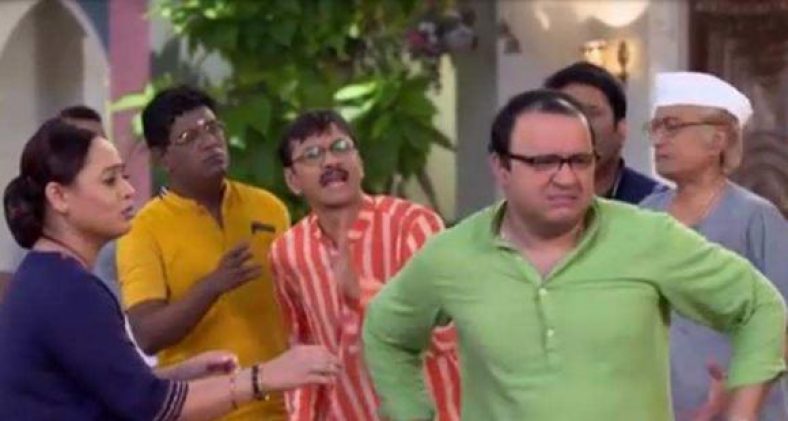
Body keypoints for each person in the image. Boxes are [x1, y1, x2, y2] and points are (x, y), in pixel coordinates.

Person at [361, 89, 786, 421]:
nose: (566, 178)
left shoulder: (647, 235)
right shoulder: (453, 255)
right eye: (544, 162)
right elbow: (386, 331)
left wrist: (741, 410)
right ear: (501, 167)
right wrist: (410, 412)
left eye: (580, 161)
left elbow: (760, 307)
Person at [0, 119, 339, 420]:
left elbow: (114, 388)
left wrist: (181, 374)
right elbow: (152, 407)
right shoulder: (66, 289)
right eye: (110, 181)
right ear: (59, 197)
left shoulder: (50, 276)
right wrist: (264, 377)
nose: (128, 191)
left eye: (124, 177)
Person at [116, 86, 294, 419]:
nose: (210, 142)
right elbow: (147, 335)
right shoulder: (142, 230)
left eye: (213, 128)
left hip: (281, 409)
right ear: (162, 157)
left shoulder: (269, 208)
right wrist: (212, 285)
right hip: (202, 411)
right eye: (189, 137)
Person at [269, 110, 460, 420]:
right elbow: (302, 351)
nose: (331, 162)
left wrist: (366, 298)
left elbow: (449, 334)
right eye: (312, 155)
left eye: (341, 147)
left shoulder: (414, 226)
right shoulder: (288, 251)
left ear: (359, 161)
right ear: (293, 180)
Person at [640, 72, 788, 421]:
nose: (658, 140)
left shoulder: (755, 217)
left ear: (717, 139)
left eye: (672, 126)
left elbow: (781, 324)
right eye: (655, 127)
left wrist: (738, 394)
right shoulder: (645, 213)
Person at [544, 61, 663, 203]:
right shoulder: (529, 200)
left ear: (621, 129)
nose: (579, 125)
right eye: (565, 113)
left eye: (591, 113)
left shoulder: (653, 204)